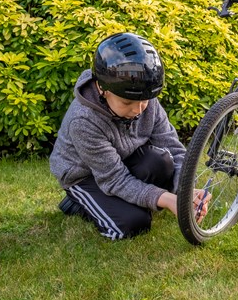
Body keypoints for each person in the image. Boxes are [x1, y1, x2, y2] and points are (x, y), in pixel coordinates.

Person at [50, 32, 207, 240]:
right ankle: (78, 202)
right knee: (134, 223)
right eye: (127, 103)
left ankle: (130, 200)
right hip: (87, 175)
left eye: (144, 101)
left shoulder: (143, 97)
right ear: (102, 88)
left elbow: (174, 148)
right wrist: (166, 199)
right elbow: (114, 178)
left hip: (124, 159)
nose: (139, 109)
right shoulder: (83, 121)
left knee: (161, 162)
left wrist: (185, 189)